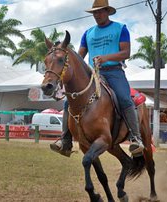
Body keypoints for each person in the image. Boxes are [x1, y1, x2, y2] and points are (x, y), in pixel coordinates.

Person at [50, 0, 144, 157]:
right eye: (94, 12)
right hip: (93, 74)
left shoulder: (120, 28)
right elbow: (79, 57)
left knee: (124, 98)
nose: (97, 15)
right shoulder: (88, 33)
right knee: (68, 102)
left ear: (107, 11)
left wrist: (106, 58)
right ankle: (65, 140)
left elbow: (126, 53)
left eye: (100, 11)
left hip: (114, 72)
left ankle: (136, 138)